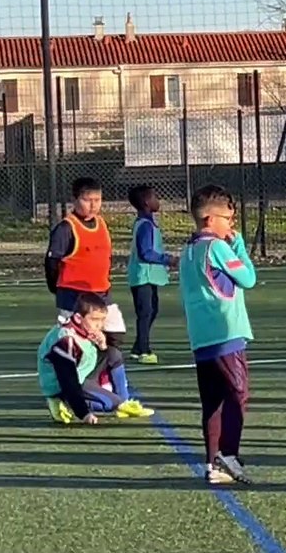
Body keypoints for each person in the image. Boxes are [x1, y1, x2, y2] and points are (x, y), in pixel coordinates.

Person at [180, 184, 257, 486]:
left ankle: (212, 462)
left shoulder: (188, 251)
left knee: (212, 401)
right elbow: (248, 278)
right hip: (227, 333)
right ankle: (229, 455)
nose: (232, 224)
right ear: (211, 219)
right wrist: (238, 246)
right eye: (228, 218)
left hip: (201, 338)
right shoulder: (218, 247)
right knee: (237, 395)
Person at [37, 292, 154, 424]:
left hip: (82, 376)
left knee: (113, 353)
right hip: (63, 385)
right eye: (94, 319)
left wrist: (102, 346)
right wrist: (84, 413)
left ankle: (124, 402)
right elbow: (68, 380)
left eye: (102, 320)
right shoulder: (65, 340)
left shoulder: (84, 330)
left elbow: (90, 360)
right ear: (78, 318)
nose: (99, 325)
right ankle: (59, 400)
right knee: (108, 404)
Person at [45, 177, 126, 350]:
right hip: (73, 296)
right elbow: (52, 262)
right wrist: (56, 288)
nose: (93, 205)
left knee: (116, 332)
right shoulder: (66, 228)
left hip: (101, 293)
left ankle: (103, 369)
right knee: (74, 341)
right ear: (75, 200)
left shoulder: (101, 223)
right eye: (87, 200)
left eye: (97, 200)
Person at [127, 184, 178, 363]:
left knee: (151, 310)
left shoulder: (146, 223)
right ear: (147, 202)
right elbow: (145, 252)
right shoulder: (146, 225)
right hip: (143, 276)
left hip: (147, 276)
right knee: (146, 312)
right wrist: (168, 259)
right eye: (155, 197)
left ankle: (138, 346)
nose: (158, 200)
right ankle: (144, 350)